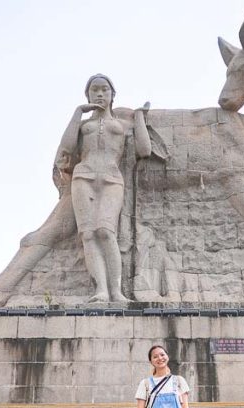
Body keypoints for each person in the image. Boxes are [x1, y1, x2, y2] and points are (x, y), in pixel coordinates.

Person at [54, 73, 152, 302]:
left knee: (106, 232)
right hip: (84, 177)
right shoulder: (83, 125)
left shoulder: (122, 124)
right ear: (87, 95)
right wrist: (78, 112)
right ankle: (101, 290)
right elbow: (67, 147)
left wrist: (139, 117)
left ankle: (116, 291)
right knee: (88, 235)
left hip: (111, 178)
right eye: (94, 90)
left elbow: (144, 150)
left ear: (113, 94)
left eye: (104, 89)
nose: (99, 93)